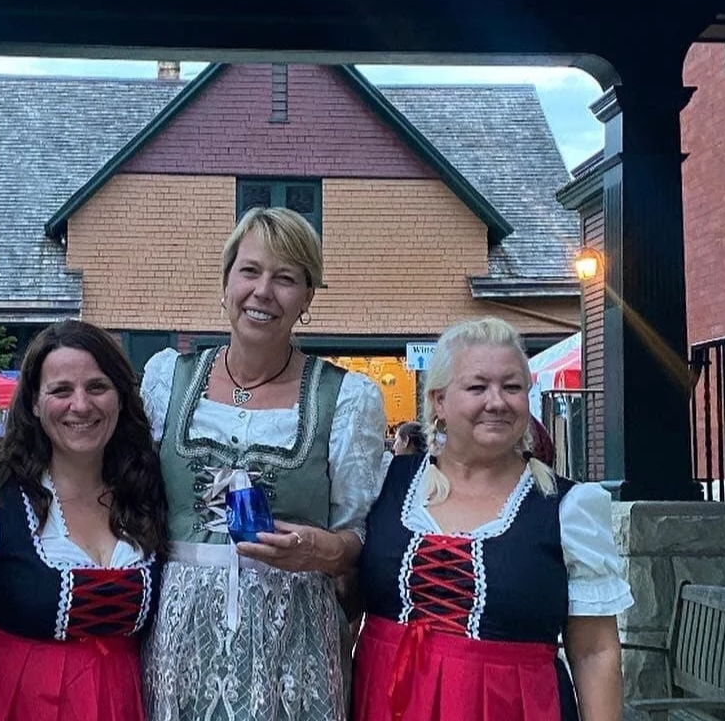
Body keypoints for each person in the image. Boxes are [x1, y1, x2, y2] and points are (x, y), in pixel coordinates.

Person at [140, 206, 388, 721]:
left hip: (292, 629)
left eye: (286, 279)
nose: (263, 291)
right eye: (249, 271)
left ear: (307, 298)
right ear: (227, 281)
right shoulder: (168, 380)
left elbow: (358, 537)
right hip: (180, 627)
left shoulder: (346, 398)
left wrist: (323, 550)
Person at [353, 316, 630, 721]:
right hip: (387, 702)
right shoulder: (384, 484)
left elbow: (594, 650)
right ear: (439, 402)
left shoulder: (566, 508)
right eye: (477, 386)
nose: (497, 402)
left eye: (512, 387)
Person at [0, 319, 168, 721]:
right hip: (18, 700)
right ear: (35, 404)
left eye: (97, 387)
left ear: (121, 398)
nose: (81, 405)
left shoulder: (147, 492)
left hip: (121, 701)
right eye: (60, 390)